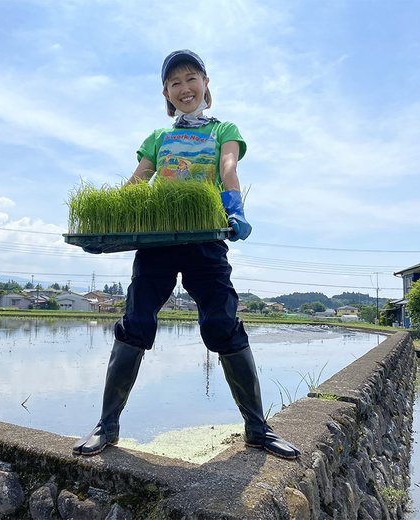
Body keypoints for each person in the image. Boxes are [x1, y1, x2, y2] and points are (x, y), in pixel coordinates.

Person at [72, 50, 300, 460]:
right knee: (136, 321)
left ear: (206, 82)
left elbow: (228, 166)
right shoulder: (158, 138)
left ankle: (257, 428)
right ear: (166, 93)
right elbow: (137, 182)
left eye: (191, 78)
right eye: (175, 83)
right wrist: (101, 225)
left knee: (222, 323)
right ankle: (107, 426)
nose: (184, 88)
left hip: (205, 241)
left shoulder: (223, 129)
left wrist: (234, 207)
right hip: (158, 243)